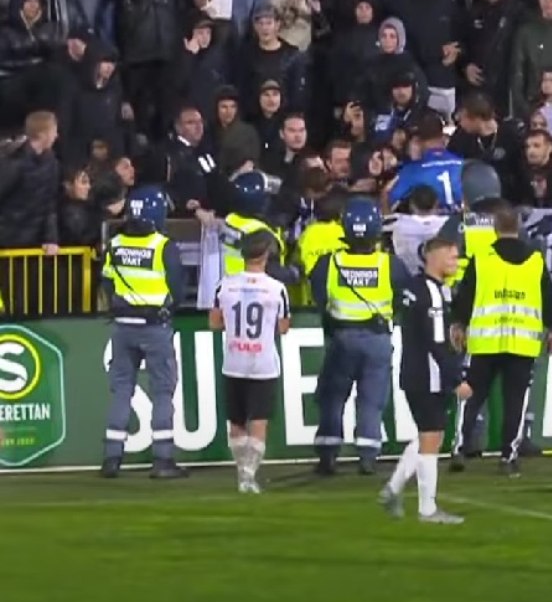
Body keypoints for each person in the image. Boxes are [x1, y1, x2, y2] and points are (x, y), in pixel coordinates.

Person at [450, 204, 552, 477]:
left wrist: (459, 324)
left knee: (472, 397)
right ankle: (508, 455)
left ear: (495, 229)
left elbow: (466, 294)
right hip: (522, 344)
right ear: (519, 229)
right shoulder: (535, 260)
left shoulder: (482, 258)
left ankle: (460, 448)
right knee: (516, 401)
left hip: (485, 342)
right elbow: (549, 298)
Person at [309, 197, 409, 475]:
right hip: (377, 338)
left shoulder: (328, 263)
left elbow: (318, 298)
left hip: (341, 339)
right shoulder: (390, 264)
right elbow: (404, 297)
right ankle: (367, 455)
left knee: (332, 397)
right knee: (371, 399)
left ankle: (328, 454)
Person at [379, 237, 472, 524]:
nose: (456, 263)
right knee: (431, 439)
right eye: (452, 257)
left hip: (414, 371)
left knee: (428, 435)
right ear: (434, 257)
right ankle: (427, 508)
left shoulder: (417, 288)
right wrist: (456, 379)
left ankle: (393, 490)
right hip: (428, 374)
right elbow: (436, 342)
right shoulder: (431, 293)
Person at [99, 185, 188, 479]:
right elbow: (177, 288)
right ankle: (162, 460)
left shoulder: (114, 243)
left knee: (121, 390)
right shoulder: (164, 246)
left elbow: (108, 282)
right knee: (162, 391)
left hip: (123, 327)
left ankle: (112, 458)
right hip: (155, 327)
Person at [208, 231, 291, 494]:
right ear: (266, 254)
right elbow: (284, 327)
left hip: (234, 360)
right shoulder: (277, 289)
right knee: (259, 419)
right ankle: (248, 476)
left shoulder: (224, 286)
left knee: (236, 421)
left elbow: (214, 323)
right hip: (263, 362)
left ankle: (241, 474)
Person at [220, 171, 296, 284]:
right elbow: (272, 272)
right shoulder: (260, 233)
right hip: (255, 290)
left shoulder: (232, 220)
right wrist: (296, 271)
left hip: (229, 284)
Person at [387, 113, 464, 212]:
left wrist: (384, 194)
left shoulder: (411, 171)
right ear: (442, 137)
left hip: (429, 226)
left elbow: (390, 205)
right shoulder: (464, 165)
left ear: (416, 141)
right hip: (465, 225)